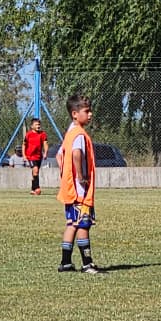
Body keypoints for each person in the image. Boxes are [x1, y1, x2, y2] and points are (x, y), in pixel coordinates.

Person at [56, 94, 103, 274]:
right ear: (75, 114)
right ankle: (87, 263)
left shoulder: (69, 132)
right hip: (79, 190)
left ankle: (66, 263)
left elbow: (59, 156)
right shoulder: (79, 134)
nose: (90, 114)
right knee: (84, 224)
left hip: (69, 188)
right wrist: (81, 177)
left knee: (72, 224)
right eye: (87, 111)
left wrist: (65, 175)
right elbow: (76, 154)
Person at [21, 118, 49, 195]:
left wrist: (45, 152)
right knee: (35, 170)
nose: (38, 126)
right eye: (36, 124)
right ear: (32, 126)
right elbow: (24, 145)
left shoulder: (43, 134)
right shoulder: (28, 134)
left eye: (39, 124)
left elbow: (45, 144)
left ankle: (33, 189)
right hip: (30, 156)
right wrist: (24, 155)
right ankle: (37, 188)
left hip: (39, 156)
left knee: (35, 172)